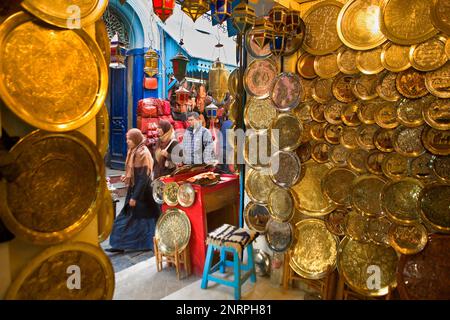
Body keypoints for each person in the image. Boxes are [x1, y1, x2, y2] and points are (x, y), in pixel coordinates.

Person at [107, 129, 157, 253]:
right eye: (127, 139)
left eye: (129, 139)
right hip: (136, 189)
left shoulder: (143, 154)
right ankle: (122, 244)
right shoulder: (133, 151)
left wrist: (134, 197)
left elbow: (143, 178)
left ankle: (124, 244)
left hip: (143, 193)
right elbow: (135, 173)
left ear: (136, 139)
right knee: (137, 218)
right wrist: (127, 176)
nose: (127, 142)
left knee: (139, 218)